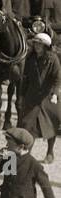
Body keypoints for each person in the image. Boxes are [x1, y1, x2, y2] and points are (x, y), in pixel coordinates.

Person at [17, 31, 60, 164]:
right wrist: (21, 96)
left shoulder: (53, 59)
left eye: (40, 44)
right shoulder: (30, 59)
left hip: (48, 98)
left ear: (46, 46)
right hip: (32, 97)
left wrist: (55, 93)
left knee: (51, 125)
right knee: (27, 125)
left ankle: (50, 152)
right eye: (35, 44)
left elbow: (57, 78)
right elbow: (26, 79)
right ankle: (26, 154)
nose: (37, 46)